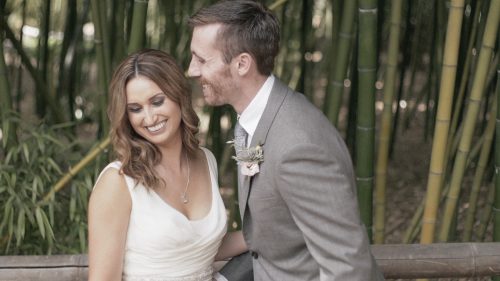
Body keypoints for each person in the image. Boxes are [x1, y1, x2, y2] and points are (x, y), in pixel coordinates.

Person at [187, 1, 385, 280]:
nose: (191, 70)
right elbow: (267, 230)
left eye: (202, 60)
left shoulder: (298, 147)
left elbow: (348, 267)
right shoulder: (253, 120)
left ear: (242, 64)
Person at [88, 49, 247, 281]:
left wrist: (266, 233)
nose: (150, 118)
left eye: (157, 101)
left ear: (178, 96)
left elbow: (200, 246)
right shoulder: (118, 182)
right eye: (136, 109)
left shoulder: (205, 159)